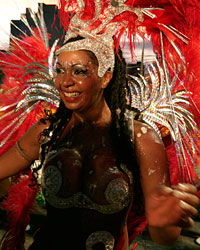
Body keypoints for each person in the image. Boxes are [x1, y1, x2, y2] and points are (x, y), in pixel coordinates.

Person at [0, 1, 200, 250]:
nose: (65, 82)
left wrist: (162, 222)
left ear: (106, 77)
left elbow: (165, 237)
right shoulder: (47, 131)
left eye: (80, 71)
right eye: (60, 70)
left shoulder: (140, 138)